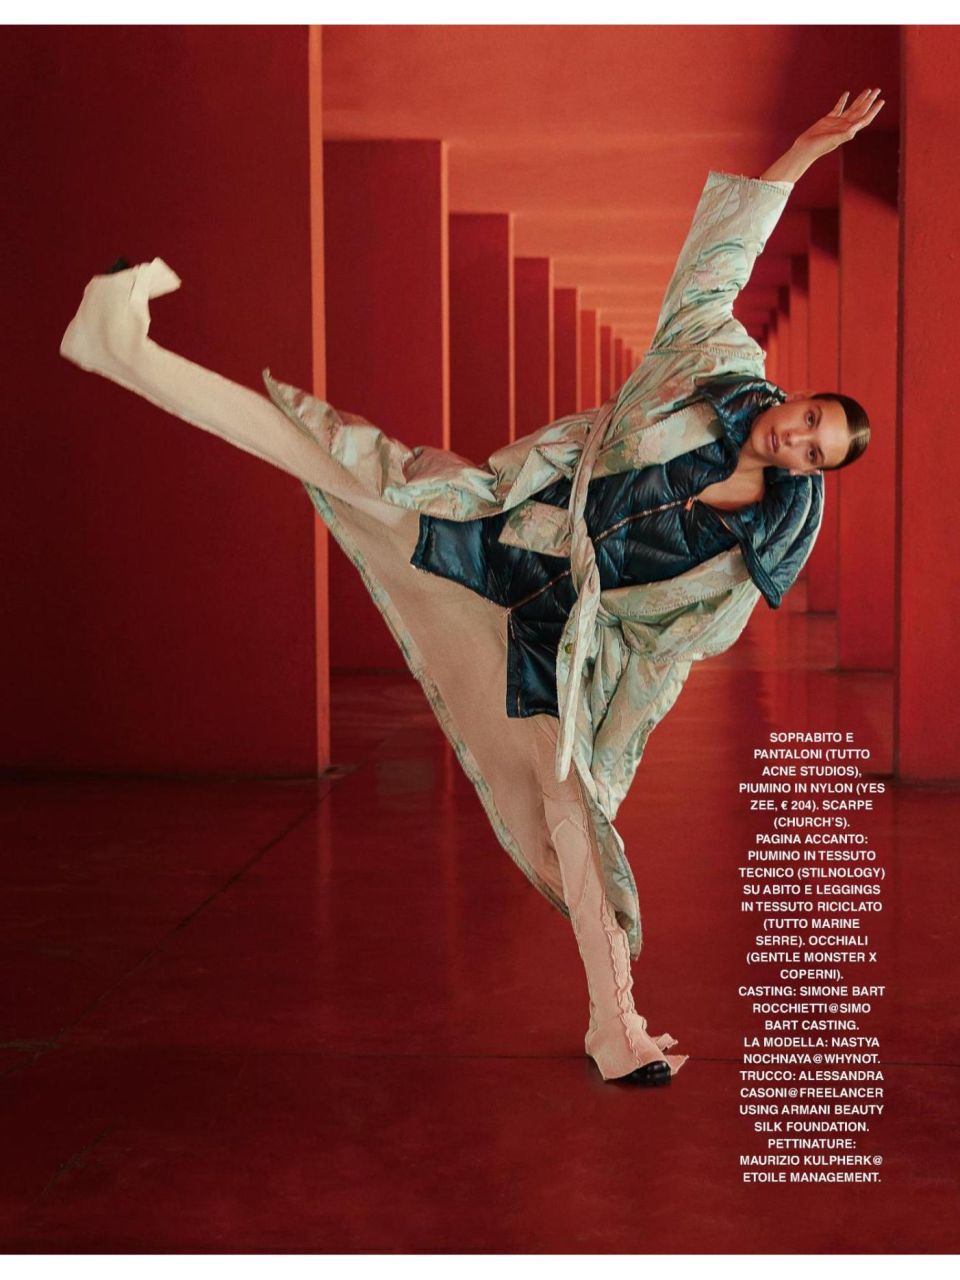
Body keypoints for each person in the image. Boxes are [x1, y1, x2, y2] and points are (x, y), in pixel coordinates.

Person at [59, 88, 883, 1088]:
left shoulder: (749, 557)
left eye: (815, 452)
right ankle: (122, 346)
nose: (797, 438)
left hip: (559, 639)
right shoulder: (710, 360)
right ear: (800, 396)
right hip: (490, 533)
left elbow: (663, 655)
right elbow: (720, 259)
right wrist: (800, 153)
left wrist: (610, 738)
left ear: (813, 473)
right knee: (327, 457)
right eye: (810, 419)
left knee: (575, 813)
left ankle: (615, 1026)